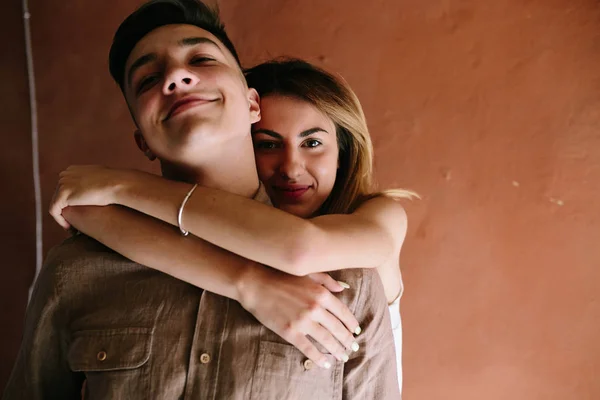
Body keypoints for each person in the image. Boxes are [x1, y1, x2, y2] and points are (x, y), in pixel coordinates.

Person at [3, 1, 401, 399]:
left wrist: (119, 186)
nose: (176, 76)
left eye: (201, 58)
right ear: (143, 140)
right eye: (147, 79)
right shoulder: (76, 270)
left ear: (251, 104)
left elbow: (301, 249)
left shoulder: (347, 278)